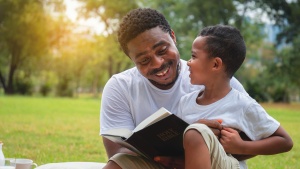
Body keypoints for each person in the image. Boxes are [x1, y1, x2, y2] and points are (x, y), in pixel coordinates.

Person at [100, 8, 248, 169]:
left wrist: (201, 146)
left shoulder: (216, 77)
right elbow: (117, 153)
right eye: (144, 60)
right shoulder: (119, 87)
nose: (157, 63)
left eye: (162, 50)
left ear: (173, 37)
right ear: (132, 60)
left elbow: (256, 140)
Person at [173, 25, 293, 169]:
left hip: (227, 165)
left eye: (194, 56)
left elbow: (285, 141)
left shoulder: (242, 104)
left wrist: (242, 147)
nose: (189, 63)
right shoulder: (185, 102)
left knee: (195, 133)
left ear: (216, 64)